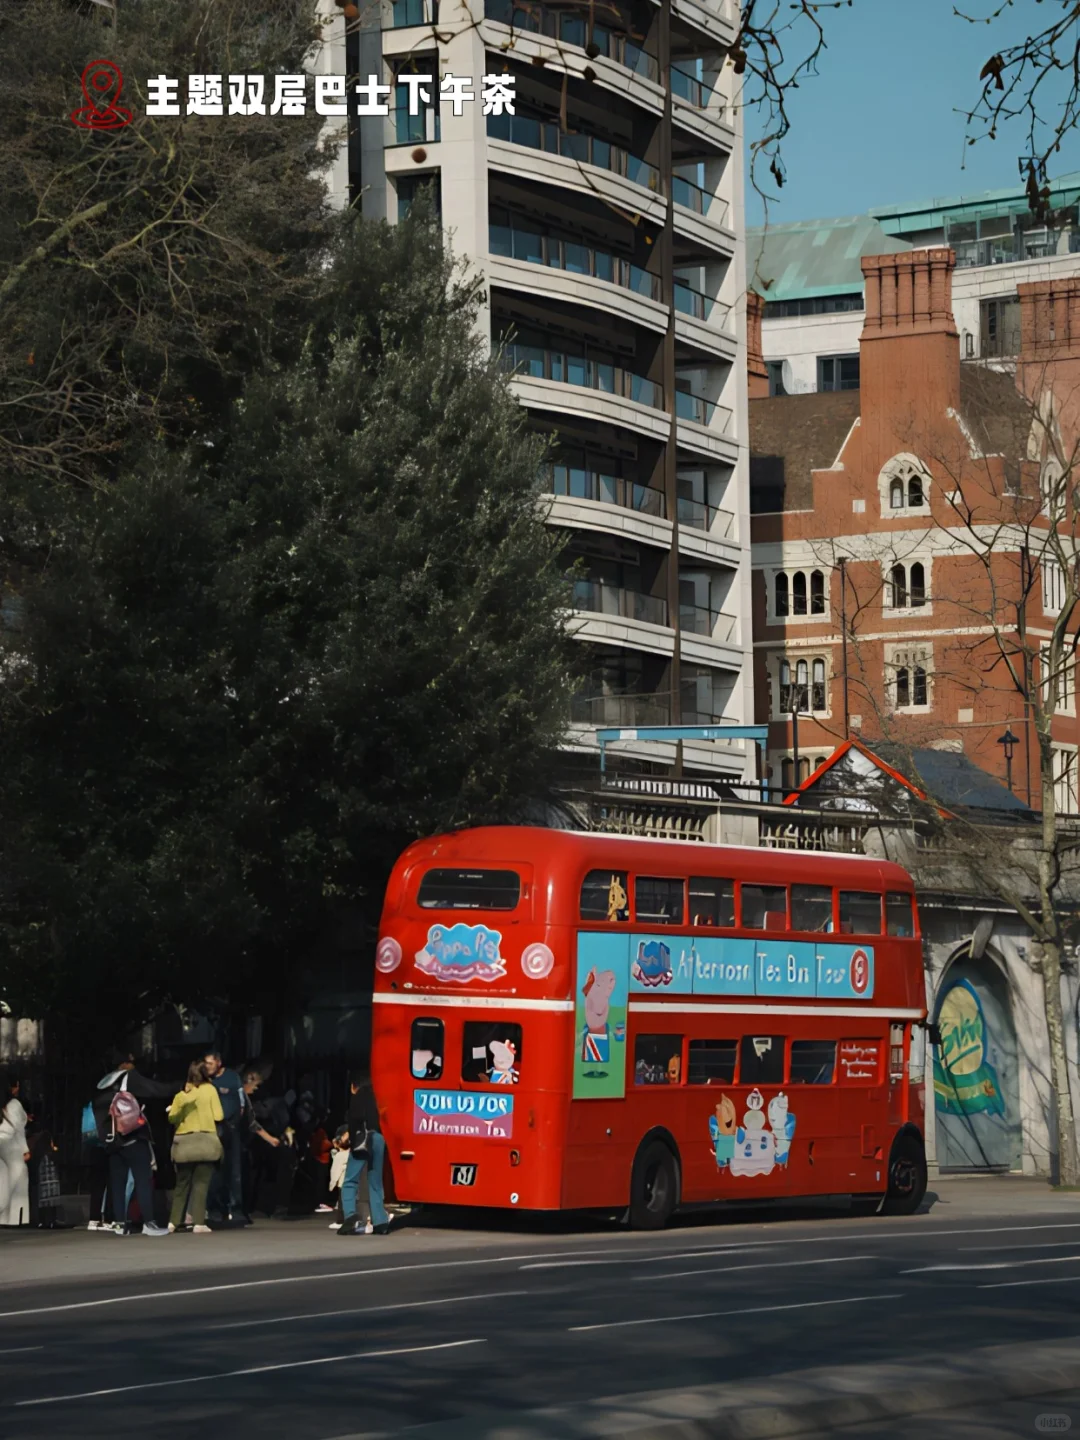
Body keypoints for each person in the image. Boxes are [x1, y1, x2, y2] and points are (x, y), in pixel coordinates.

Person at [93, 1051, 173, 1236]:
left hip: (112, 1140)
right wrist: (178, 1087)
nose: (134, 1065)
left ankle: (120, 1223)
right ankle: (149, 1223)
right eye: (132, 1062)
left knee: (118, 1183)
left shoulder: (103, 1083)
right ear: (125, 1064)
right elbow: (155, 1089)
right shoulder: (128, 1078)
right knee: (143, 1180)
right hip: (132, 1137)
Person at [167, 1060, 223, 1234]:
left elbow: (172, 1119)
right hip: (206, 1141)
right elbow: (219, 1116)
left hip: (184, 1143)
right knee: (201, 1183)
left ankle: (173, 1222)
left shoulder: (182, 1095)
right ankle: (198, 1223)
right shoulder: (210, 1090)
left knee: (181, 1184)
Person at [338, 1069, 390, 1237]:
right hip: (379, 1139)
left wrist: (349, 1138)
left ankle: (350, 1217)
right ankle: (380, 1222)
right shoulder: (378, 1095)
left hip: (362, 1139)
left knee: (350, 1180)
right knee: (375, 1180)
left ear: (354, 1086)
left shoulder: (357, 1097)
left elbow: (356, 1119)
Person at [204, 1050, 244, 1222]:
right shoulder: (205, 1080)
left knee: (234, 1171)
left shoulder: (232, 1078)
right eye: (205, 1064)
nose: (207, 1067)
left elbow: (241, 1104)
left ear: (218, 1063)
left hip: (231, 1129)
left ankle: (236, 1209)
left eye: (210, 1063)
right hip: (212, 1130)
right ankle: (215, 1208)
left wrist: (233, 1123)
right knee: (214, 1172)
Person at [238, 1069, 280, 1222]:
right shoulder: (241, 1096)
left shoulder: (246, 1098)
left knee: (247, 1177)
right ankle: (240, 1209)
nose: (257, 1088)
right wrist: (269, 1138)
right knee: (242, 1177)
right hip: (239, 1142)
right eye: (256, 1083)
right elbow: (252, 1123)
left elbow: (252, 1123)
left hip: (245, 1144)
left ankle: (243, 1209)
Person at [0, 1074, 30, 1227]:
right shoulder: (14, 1105)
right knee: (18, 1180)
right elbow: (19, 1129)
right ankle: (16, 1218)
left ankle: (4, 1217)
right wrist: (25, 1149)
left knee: (3, 1180)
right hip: (11, 1145)